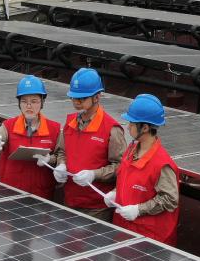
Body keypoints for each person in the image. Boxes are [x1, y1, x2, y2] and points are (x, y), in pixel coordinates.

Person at [48, 68, 126, 221]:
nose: (76, 102)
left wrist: (94, 174)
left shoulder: (112, 129)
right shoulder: (70, 123)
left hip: (97, 207)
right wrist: (61, 164)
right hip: (70, 200)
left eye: (81, 99)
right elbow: (62, 152)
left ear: (97, 97)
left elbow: (121, 167)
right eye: (73, 98)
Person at [109, 93, 180, 246]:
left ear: (145, 127)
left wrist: (139, 209)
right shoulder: (131, 150)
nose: (128, 126)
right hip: (125, 229)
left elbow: (170, 199)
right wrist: (115, 193)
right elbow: (125, 179)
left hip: (148, 238)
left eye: (132, 123)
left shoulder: (162, 164)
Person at [0, 75, 60, 198]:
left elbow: (61, 157)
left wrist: (50, 159)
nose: (29, 106)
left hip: (42, 195)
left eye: (34, 101)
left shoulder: (55, 129)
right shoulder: (7, 127)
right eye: (24, 101)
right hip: (9, 194)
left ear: (42, 102)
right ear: (19, 103)